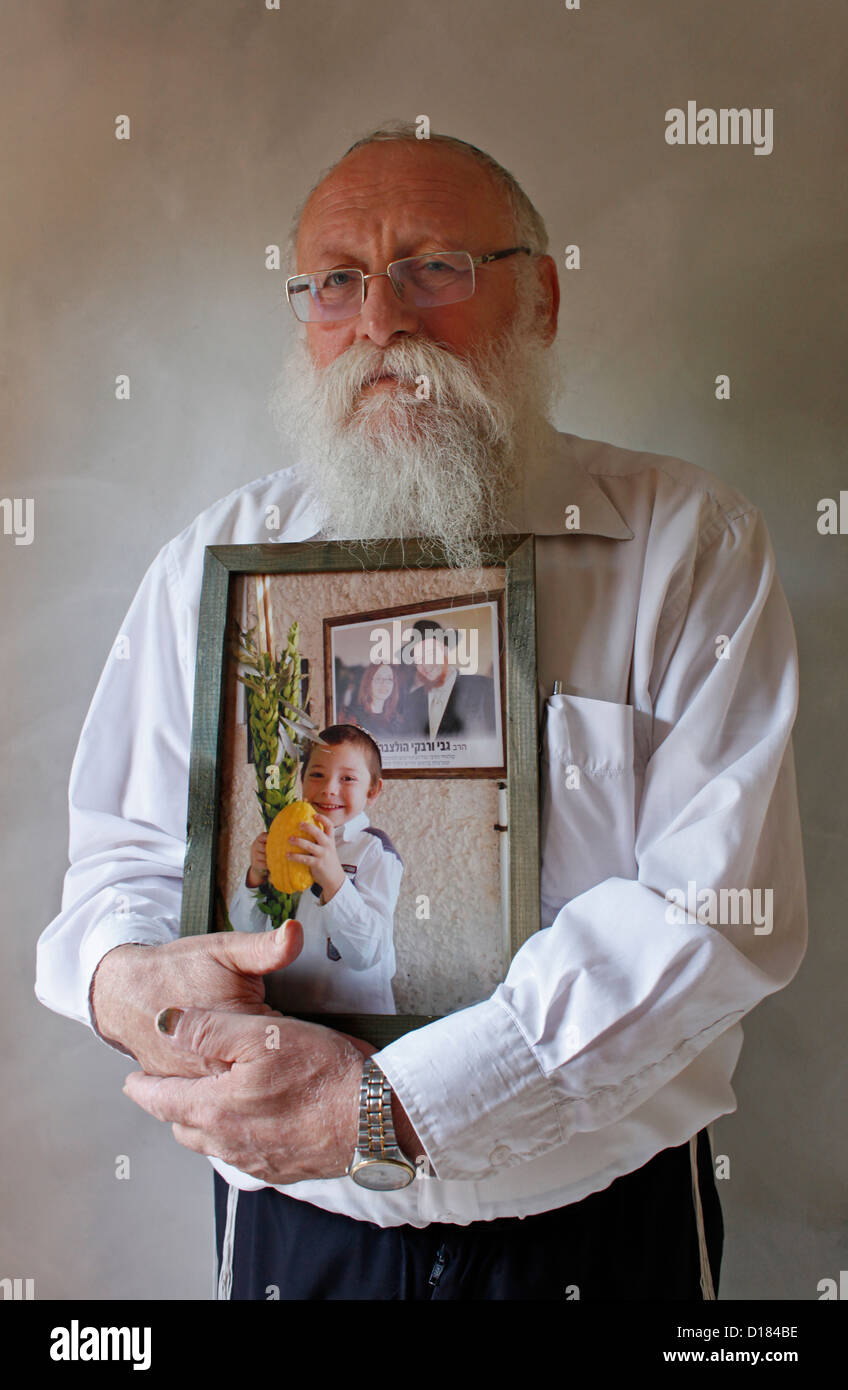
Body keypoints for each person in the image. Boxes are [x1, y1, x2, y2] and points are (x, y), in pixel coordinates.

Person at [35, 121, 807, 1301]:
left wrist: (391, 1111)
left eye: (431, 268)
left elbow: (713, 916)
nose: (379, 321)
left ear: (539, 298)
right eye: (336, 281)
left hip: (595, 1230)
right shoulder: (214, 558)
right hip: (299, 1229)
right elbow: (123, 864)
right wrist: (123, 983)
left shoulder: (683, 542)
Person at [227, 724, 400, 1015]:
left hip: (354, 1017)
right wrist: (256, 876)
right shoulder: (289, 837)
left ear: (372, 791)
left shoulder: (374, 849)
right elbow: (247, 931)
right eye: (317, 775)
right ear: (302, 780)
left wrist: (333, 876)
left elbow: (368, 953)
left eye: (347, 778)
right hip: (289, 1013)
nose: (329, 789)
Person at [402, 619, 497, 740]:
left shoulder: (483, 688)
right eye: (419, 658)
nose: (426, 665)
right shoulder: (412, 699)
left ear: (445, 650)